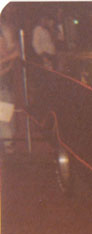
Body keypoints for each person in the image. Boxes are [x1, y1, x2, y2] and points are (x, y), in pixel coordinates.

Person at [0, 12, 19, 155]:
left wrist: (8, 62)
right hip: (3, 84)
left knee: (5, 113)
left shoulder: (4, 31)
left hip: (3, 83)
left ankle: (8, 144)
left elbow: (13, 53)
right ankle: (8, 144)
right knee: (5, 114)